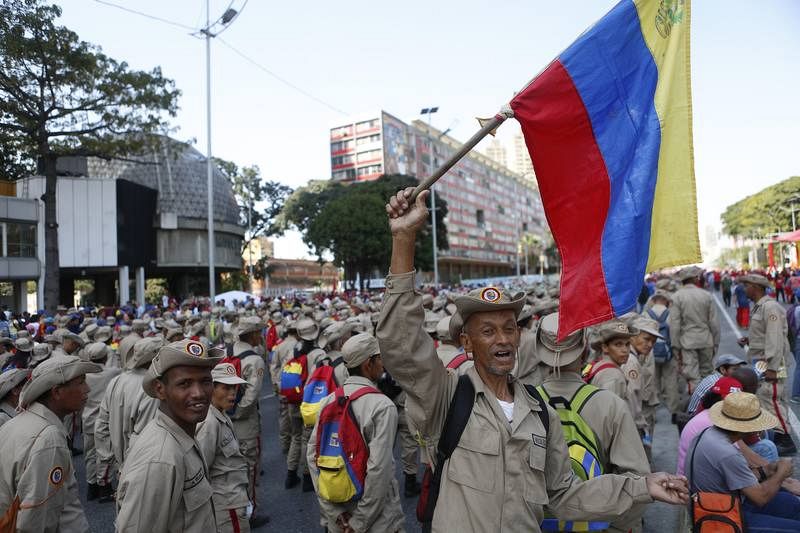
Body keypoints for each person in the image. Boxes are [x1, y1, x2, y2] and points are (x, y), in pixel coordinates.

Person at [377, 187, 688, 532]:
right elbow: (402, 344)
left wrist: (643, 486)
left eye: (510, 328)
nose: (503, 339)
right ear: (466, 342)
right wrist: (404, 239)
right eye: (488, 331)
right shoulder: (448, 397)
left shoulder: (541, 413)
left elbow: (565, 495)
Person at [535, 312, 651, 533]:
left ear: (540, 353)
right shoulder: (611, 405)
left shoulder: (521, 405)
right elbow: (639, 484)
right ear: (586, 347)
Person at [115, 339, 223, 531]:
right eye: (184, 384)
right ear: (160, 390)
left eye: (206, 381)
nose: (199, 393)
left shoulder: (182, 434)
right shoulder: (159, 458)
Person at [306, 332, 404, 533]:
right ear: (368, 364)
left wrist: (333, 513)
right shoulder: (382, 405)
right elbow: (379, 469)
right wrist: (359, 522)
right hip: (378, 519)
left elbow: (312, 457)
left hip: (340, 513)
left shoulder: (329, 401)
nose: (383, 363)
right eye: (379, 358)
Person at [0, 355, 100, 531]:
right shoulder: (48, 440)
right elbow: (37, 520)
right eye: (81, 382)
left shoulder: (17, 422)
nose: (88, 389)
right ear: (57, 392)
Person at [685, 391, 800, 530]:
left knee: (791, 503)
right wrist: (781, 474)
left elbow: (738, 477)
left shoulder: (708, 433)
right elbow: (761, 498)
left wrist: (769, 469)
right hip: (725, 516)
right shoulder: (727, 453)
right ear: (747, 428)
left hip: (727, 503)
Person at [197, 362, 268, 531]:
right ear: (210, 389)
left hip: (235, 500)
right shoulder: (209, 423)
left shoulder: (222, 414)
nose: (232, 394)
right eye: (226, 388)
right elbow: (201, 469)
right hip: (225, 505)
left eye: (234, 388)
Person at [737, 273, 797, 455]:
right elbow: (764, 335)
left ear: (756, 287)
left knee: (772, 398)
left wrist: (772, 368)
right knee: (765, 399)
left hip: (771, 362)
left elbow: (775, 339)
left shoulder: (770, 307)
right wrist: (750, 340)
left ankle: (785, 439)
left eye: (747, 285)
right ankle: (776, 436)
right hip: (761, 361)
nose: (744, 289)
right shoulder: (760, 306)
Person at [228, 316, 267, 511]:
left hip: (222, 419)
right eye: (259, 332)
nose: (261, 336)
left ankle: (234, 507)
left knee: (229, 466)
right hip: (245, 423)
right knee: (249, 466)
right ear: (252, 335)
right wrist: (237, 412)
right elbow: (251, 397)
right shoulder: (255, 360)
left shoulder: (225, 352)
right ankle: (249, 511)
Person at [668, 266, 720, 394]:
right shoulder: (706, 295)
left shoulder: (677, 297)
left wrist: (675, 346)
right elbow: (714, 323)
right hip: (706, 340)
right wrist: (715, 342)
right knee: (707, 374)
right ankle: (709, 405)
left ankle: (696, 407)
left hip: (687, 342)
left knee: (692, 377)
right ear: (696, 279)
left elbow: (674, 324)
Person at [82, 342, 121, 501]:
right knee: (105, 453)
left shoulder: (84, 375)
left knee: (90, 453)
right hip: (104, 420)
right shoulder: (113, 372)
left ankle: (92, 486)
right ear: (105, 356)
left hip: (87, 418)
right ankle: (104, 488)